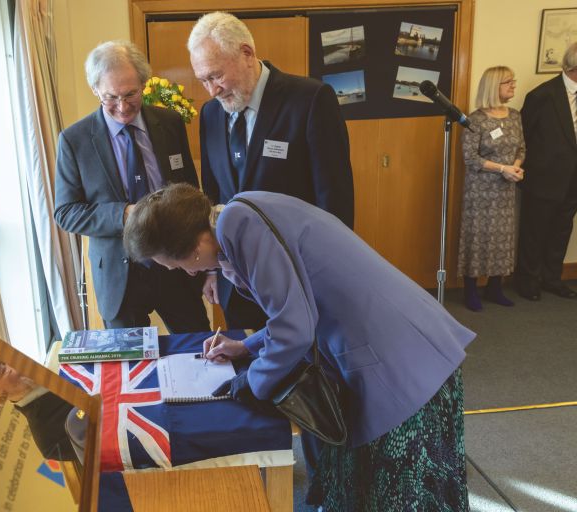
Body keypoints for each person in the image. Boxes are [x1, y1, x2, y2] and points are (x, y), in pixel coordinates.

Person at [123, 183, 475, 510]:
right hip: (383, 343)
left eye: (177, 265)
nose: (186, 273)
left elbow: (294, 329)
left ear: (194, 245)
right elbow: (298, 308)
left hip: (398, 357)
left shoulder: (239, 223)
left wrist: (253, 383)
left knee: (398, 496)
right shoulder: (235, 215)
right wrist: (247, 347)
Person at [187, 12, 354, 330]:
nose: (211, 90)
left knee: (301, 369)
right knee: (249, 365)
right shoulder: (210, 114)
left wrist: (334, 273)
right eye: (203, 80)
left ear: (246, 54)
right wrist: (212, 270)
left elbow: (334, 196)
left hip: (296, 274)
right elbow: (211, 196)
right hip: (237, 281)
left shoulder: (310, 99)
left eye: (216, 75)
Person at [54, 40, 210, 331]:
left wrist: (207, 263)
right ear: (95, 90)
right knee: (130, 368)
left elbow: (191, 190)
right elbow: (66, 212)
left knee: (196, 349)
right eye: (110, 97)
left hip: (175, 264)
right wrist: (125, 214)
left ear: (143, 83)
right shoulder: (74, 141)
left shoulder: (170, 122)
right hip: (119, 274)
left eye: (131, 94)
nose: (123, 107)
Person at [458, 66, 525, 311]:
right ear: (493, 86)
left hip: (506, 190)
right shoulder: (475, 120)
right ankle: (471, 290)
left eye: (513, 81)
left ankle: (495, 288)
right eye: (508, 82)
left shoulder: (515, 115)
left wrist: (516, 167)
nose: (513, 86)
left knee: (503, 238)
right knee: (478, 236)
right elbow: (470, 158)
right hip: (480, 191)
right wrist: (502, 169)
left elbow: (521, 149)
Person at [515, 42, 577, 301]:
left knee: (562, 230)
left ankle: (552, 279)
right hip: (543, 180)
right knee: (534, 231)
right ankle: (527, 281)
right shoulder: (542, 95)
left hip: (573, 181)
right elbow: (523, 136)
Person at [0, 347, 86, 464]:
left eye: (4, 352)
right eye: (2, 368)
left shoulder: (50, 348)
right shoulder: (50, 440)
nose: (15, 359)